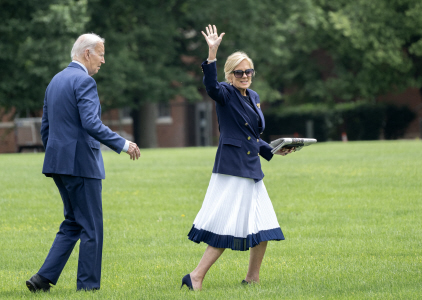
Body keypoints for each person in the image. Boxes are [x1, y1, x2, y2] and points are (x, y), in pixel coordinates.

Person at [181, 25, 295, 291]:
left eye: (248, 72)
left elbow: (252, 137)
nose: (245, 76)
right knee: (226, 226)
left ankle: (252, 278)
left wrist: (275, 149)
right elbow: (209, 86)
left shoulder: (253, 96)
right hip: (233, 169)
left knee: (264, 224)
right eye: (239, 72)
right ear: (230, 75)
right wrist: (212, 53)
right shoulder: (224, 93)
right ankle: (195, 276)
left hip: (252, 169)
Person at [26, 33, 141, 292]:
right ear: (87, 53)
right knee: (91, 227)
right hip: (81, 165)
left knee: (73, 222)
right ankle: (88, 288)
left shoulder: (55, 81)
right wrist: (124, 144)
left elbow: (46, 128)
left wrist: (56, 154)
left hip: (58, 164)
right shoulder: (84, 81)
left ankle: (42, 279)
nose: (103, 60)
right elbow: (91, 123)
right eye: (101, 54)